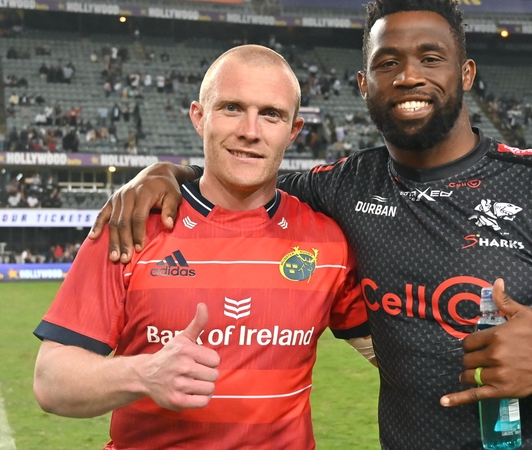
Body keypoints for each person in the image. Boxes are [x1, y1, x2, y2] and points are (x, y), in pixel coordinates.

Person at [91, 1, 532, 449]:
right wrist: (162, 171)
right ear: (364, 85)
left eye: (431, 57)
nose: (409, 75)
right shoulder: (341, 187)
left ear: (466, 72)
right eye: (387, 63)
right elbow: (238, 173)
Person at [32, 45, 372, 449]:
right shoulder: (133, 224)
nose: (250, 130)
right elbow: (51, 380)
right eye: (231, 108)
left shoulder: (328, 241)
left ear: (293, 130)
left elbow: (396, 354)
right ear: (199, 116)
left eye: (271, 114)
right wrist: (143, 374)